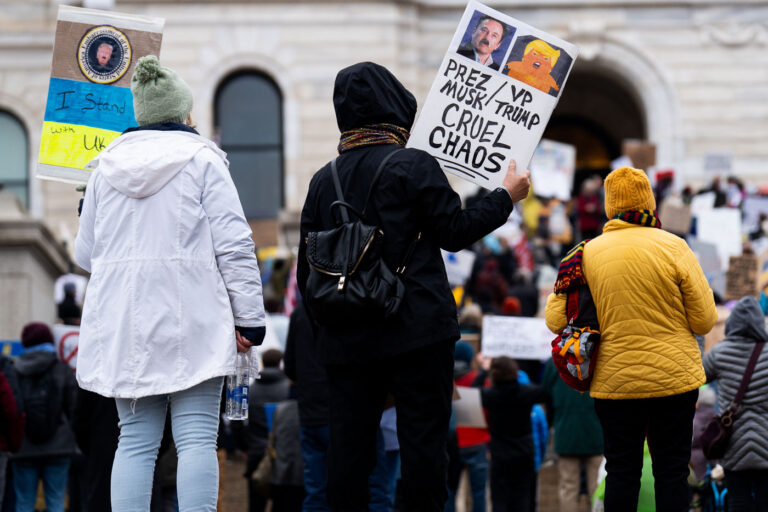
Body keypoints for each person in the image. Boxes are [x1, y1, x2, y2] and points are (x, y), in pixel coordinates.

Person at [297, 61, 531, 511]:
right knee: (423, 447)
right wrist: (505, 196)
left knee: (349, 454)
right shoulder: (411, 164)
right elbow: (455, 231)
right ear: (394, 104)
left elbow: (309, 274)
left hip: (347, 340)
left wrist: (334, 330)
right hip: (417, 331)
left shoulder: (323, 180)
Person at [74, 55, 266, 511]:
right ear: (182, 112)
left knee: (135, 440)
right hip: (194, 317)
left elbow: (85, 256)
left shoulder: (103, 169)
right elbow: (235, 245)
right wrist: (250, 320)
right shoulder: (204, 159)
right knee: (197, 438)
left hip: (127, 323)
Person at [545, 166, 717, 511]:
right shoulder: (675, 247)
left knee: (622, 472)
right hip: (674, 379)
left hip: (616, 382)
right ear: (649, 204)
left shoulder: (584, 255)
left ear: (610, 207)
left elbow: (555, 319)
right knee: (672, 471)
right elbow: (705, 320)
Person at [702, 296, 768, 511]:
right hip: (766, 443)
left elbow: (696, 377)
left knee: (738, 501)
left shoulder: (720, 353)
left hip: (733, 443)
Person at [10, 322, 78, 512]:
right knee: (56, 500)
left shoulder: (14, 370)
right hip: (59, 446)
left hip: (23, 448)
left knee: (24, 502)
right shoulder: (62, 369)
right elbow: (74, 409)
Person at [475, 357, 548, 511]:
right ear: (515, 373)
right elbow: (546, 389)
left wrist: (484, 370)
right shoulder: (527, 392)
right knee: (522, 498)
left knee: (499, 500)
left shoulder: (489, 395)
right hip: (524, 452)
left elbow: (473, 393)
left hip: (499, 454)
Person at [542, 359, 603, 512]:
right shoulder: (598, 357)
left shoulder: (555, 361)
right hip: (597, 433)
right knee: (597, 486)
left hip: (566, 433)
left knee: (568, 487)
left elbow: (545, 395)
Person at [246, 349, 290, 512]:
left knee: (256, 504)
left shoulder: (251, 390)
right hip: (283, 453)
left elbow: (239, 424)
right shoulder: (288, 389)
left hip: (256, 451)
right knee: (282, 503)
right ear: (280, 363)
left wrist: (245, 446)